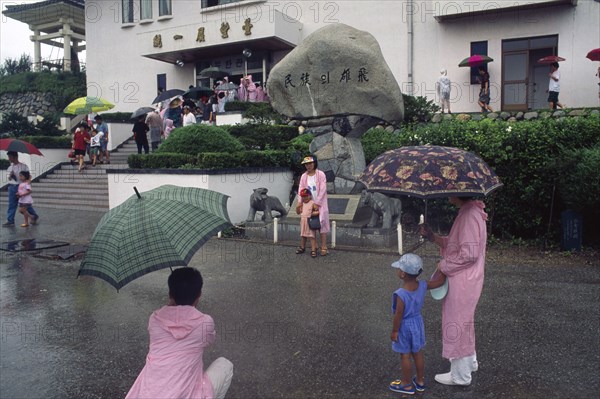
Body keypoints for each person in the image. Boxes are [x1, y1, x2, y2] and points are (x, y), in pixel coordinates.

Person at [125, 267, 233, 399]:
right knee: (225, 365)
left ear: (170, 294)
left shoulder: (154, 319)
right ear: (199, 294)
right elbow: (209, 340)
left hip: (149, 394)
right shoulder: (205, 322)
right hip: (187, 395)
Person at [420, 197, 488, 386]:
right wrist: (434, 238)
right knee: (464, 321)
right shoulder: (471, 212)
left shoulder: (468, 215)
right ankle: (469, 362)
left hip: (463, 279)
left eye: (450, 192)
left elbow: (469, 254)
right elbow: (458, 243)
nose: (448, 194)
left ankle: (460, 376)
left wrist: (444, 265)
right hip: (468, 278)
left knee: (456, 322)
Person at [389, 254, 447, 395]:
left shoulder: (400, 294)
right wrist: (444, 269)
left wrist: (395, 331)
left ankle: (406, 384)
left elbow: (398, 316)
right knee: (418, 353)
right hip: (417, 324)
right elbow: (439, 282)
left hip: (404, 327)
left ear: (402, 274)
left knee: (405, 355)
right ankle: (420, 381)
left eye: (398, 269)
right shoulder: (423, 285)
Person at [298, 155, 330, 256]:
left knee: (322, 224)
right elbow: (301, 190)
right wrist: (300, 202)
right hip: (308, 204)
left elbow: (323, 189)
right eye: (306, 164)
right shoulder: (304, 176)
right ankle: (314, 246)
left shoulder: (320, 174)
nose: (308, 166)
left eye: (310, 163)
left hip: (321, 204)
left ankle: (324, 246)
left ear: (314, 163)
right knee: (311, 224)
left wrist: (317, 203)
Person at [3, 151, 39, 227]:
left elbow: (28, 176)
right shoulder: (10, 167)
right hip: (12, 187)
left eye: (10, 157)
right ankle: (10, 220)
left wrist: (27, 184)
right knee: (12, 204)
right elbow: (9, 179)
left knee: (25, 204)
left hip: (21, 186)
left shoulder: (23, 166)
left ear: (15, 157)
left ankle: (34, 215)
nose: (9, 158)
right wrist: (10, 175)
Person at [295, 188, 320, 258]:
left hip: (309, 221)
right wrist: (297, 207)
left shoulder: (312, 203)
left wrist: (312, 214)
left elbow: (318, 211)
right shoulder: (302, 204)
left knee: (311, 236)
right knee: (303, 235)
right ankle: (302, 247)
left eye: (306, 196)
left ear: (310, 196)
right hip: (303, 221)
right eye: (303, 196)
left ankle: (313, 249)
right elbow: (298, 212)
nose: (305, 198)